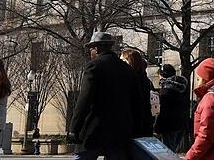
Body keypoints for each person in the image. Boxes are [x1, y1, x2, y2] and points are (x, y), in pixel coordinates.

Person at [69, 32, 146, 160]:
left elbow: (84, 100)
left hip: (95, 129)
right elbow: (138, 103)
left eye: (91, 49)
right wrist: (137, 129)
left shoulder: (94, 66)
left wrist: (74, 128)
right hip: (121, 132)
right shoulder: (127, 69)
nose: (90, 52)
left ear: (96, 48)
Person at [154, 64, 189, 153]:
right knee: (172, 151)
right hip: (180, 124)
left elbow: (163, 111)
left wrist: (157, 127)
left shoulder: (166, 91)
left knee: (168, 153)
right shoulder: (181, 89)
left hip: (169, 126)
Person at [120, 48, 155, 137]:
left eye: (122, 60)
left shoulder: (130, 79)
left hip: (132, 125)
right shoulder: (144, 78)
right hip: (143, 123)